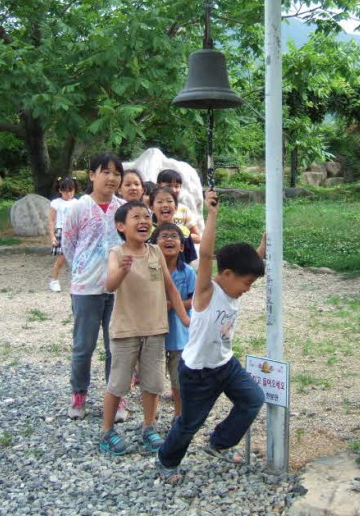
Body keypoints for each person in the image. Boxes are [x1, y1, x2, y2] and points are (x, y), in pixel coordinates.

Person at [155, 189, 266, 484]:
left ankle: (219, 442)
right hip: (198, 373)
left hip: (226, 364)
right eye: (247, 283)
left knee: (253, 399)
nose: (248, 289)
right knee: (189, 423)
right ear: (226, 273)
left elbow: (248, 267)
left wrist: (261, 249)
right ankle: (167, 460)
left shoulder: (233, 286)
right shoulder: (207, 292)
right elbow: (205, 254)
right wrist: (212, 214)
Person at [100, 201, 191, 455]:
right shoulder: (117, 253)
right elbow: (110, 285)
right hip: (126, 331)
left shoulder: (155, 252)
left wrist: (185, 319)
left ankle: (148, 427)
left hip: (155, 330)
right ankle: (106, 431)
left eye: (146, 217)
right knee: (118, 383)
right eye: (136, 217)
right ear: (121, 226)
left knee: (152, 383)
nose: (143, 221)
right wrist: (122, 271)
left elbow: (171, 289)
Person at [61, 153, 125, 421]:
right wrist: (84, 269)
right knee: (83, 347)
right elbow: (68, 244)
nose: (112, 178)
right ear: (92, 175)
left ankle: (116, 397)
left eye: (117, 173)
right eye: (105, 172)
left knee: (117, 347)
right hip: (86, 288)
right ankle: (79, 395)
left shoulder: (123, 208)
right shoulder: (79, 207)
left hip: (119, 289)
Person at [150, 222, 196, 421]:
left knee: (179, 380)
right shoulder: (150, 271)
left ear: (182, 246)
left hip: (180, 336)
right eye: (163, 236)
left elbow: (195, 301)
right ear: (153, 245)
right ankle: (151, 416)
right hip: (154, 333)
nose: (169, 239)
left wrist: (172, 305)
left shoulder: (188, 272)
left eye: (173, 236)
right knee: (153, 378)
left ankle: (179, 415)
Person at [149, 185, 197, 265]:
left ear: (176, 207)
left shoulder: (184, 232)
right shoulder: (147, 234)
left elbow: (189, 261)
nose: (165, 205)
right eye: (160, 202)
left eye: (169, 201)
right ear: (151, 207)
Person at [48, 176, 81, 292]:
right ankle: (54, 281)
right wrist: (52, 236)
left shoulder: (77, 203)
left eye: (71, 191)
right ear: (60, 190)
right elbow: (51, 221)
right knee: (61, 259)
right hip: (61, 231)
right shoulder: (55, 203)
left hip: (75, 232)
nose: (68, 194)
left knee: (78, 259)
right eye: (65, 191)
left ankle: (78, 281)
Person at [156, 169, 202, 244]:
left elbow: (198, 238)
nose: (173, 190)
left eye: (177, 186)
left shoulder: (183, 210)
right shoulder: (151, 209)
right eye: (168, 186)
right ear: (158, 186)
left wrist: (180, 235)